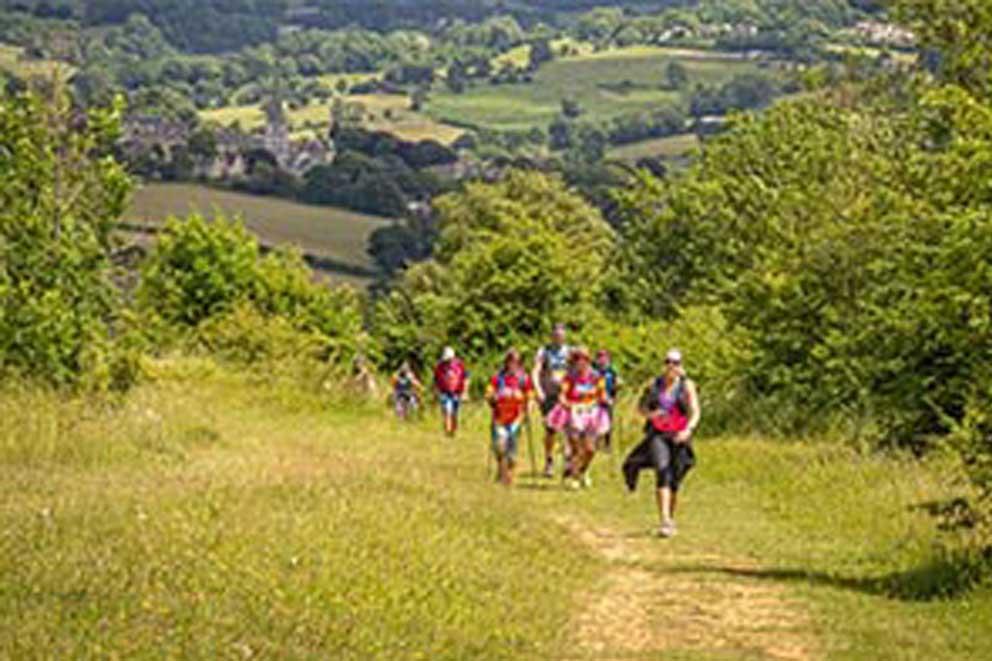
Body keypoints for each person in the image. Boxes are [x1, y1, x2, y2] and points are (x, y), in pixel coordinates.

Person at [622, 349, 700, 538]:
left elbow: (695, 411)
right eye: (668, 362)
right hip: (658, 433)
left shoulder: (687, 386)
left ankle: (670, 519)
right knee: (662, 469)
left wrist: (688, 430)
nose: (671, 367)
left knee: (675, 476)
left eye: (676, 363)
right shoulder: (654, 385)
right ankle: (664, 519)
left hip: (679, 434)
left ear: (681, 365)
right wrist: (651, 414)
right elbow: (641, 408)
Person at [557, 346, 610, 490]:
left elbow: (602, 392)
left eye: (584, 359)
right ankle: (574, 477)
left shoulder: (595, 376)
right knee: (576, 447)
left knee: (590, 449)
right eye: (578, 359)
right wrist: (564, 402)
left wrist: (606, 399)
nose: (581, 362)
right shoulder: (570, 377)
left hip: (591, 413)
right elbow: (562, 393)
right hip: (574, 412)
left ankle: (583, 470)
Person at [485, 349, 534, 486]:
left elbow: (530, 394)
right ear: (506, 362)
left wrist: (528, 407)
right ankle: (502, 470)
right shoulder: (498, 378)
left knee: (512, 448)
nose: (513, 365)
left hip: (516, 418)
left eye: (516, 362)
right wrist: (492, 398)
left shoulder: (523, 379)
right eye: (510, 362)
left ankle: (508, 473)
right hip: (499, 417)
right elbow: (489, 392)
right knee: (500, 446)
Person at [533, 323, 572, 478]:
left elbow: (576, 370)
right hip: (548, 395)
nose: (558, 338)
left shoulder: (569, 351)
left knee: (568, 428)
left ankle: (568, 460)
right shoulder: (544, 351)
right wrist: (538, 389)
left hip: (565, 395)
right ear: (552, 336)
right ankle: (549, 460)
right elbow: (535, 371)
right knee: (551, 430)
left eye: (561, 335)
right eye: (556, 335)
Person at [434, 346, 469, 436]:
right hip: (445, 392)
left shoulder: (459, 365)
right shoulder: (440, 366)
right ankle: (447, 431)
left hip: (457, 392)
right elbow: (436, 379)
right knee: (447, 411)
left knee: (455, 413)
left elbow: (466, 378)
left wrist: (465, 392)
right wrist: (436, 391)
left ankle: (452, 431)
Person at [595, 349, 622, 452]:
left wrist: (616, 386)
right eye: (600, 357)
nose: (602, 359)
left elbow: (619, 382)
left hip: (609, 399)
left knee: (608, 422)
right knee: (595, 422)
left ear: (608, 358)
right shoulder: (594, 370)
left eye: (604, 357)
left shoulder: (612, 370)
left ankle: (607, 445)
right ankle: (596, 443)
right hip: (595, 400)